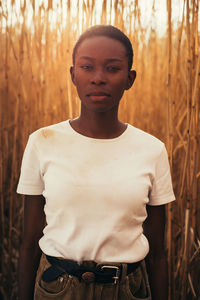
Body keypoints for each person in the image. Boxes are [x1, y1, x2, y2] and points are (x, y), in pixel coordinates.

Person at [17, 25, 175, 300]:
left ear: (130, 78)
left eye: (113, 68)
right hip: (57, 289)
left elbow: (158, 252)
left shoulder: (152, 150)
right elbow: (29, 242)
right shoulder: (42, 142)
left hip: (128, 290)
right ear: (73, 75)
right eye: (87, 67)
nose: (99, 78)